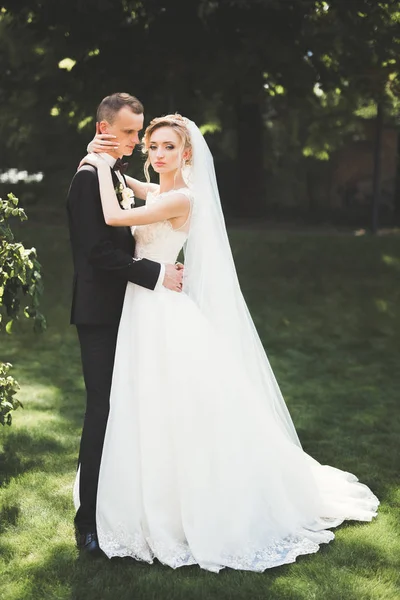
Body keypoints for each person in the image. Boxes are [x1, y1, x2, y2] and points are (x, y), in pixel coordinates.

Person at [76, 114, 379, 572]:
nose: (157, 154)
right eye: (152, 146)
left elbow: (114, 215)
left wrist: (97, 165)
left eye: (168, 148)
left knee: (175, 405)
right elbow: (133, 186)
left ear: (187, 154)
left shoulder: (179, 198)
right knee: (143, 403)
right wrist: (110, 164)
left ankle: (185, 503)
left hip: (159, 308)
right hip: (143, 305)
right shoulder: (161, 189)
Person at [66, 94, 183, 556]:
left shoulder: (110, 172)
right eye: (132, 132)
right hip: (100, 314)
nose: (138, 141)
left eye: (140, 133)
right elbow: (97, 251)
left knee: (134, 410)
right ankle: (87, 521)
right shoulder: (86, 178)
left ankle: (132, 507)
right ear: (104, 127)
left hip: (134, 311)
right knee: (102, 412)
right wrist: (156, 274)